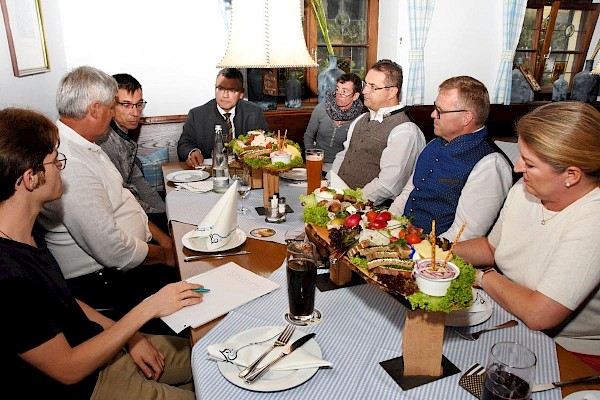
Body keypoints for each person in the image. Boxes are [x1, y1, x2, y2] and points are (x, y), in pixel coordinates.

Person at [0, 107, 202, 399]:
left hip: (105, 348)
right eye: (56, 160)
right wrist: (148, 309)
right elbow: (67, 369)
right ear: (31, 178)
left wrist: (130, 336)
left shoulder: (23, 234)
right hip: (90, 383)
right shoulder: (8, 277)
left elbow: (64, 301)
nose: (61, 167)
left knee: (214, 353)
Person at [454, 102, 600, 371]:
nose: (518, 168)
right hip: (508, 314)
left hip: (570, 352)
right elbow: (491, 246)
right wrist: (437, 250)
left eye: (529, 163)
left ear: (571, 175)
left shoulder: (593, 218)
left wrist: (481, 276)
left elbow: (539, 314)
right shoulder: (527, 188)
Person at [38, 66, 180, 323]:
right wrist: (166, 255)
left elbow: (125, 199)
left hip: (131, 263)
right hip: (107, 282)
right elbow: (112, 250)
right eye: (110, 106)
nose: (113, 112)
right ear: (94, 110)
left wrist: (165, 242)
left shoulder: (87, 143)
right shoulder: (69, 162)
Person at [389, 76, 514, 240]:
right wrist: (388, 224)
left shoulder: (490, 165)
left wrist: (420, 251)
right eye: (435, 108)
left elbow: (464, 235)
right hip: (403, 237)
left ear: (466, 117)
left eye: (440, 111)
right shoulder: (433, 145)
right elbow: (409, 192)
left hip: (436, 255)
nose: (433, 114)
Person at [330, 59, 426, 205]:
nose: (364, 91)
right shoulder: (361, 118)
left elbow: (388, 185)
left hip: (373, 212)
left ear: (392, 92)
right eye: (366, 84)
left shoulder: (405, 131)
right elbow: (344, 154)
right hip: (341, 201)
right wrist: (330, 186)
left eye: (373, 87)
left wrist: (351, 202)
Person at [95, 73, 168, 232]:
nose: (135, 113)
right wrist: (160, 215)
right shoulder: (105, 142)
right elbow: (123, 196)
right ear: (110, 105)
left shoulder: (124, 135)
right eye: (126, 105)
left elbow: (138, 180)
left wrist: (165, 210)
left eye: (139, 104)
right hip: (126, 218)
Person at [177, 68, 270, 167]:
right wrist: (192, 152)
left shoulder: (254, 113)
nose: (225, 95)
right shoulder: (197, 115)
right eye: (220, 89)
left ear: (241, 94)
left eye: (232, 90)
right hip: (211, 173)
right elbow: (184, 144)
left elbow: (266, 142)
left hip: (245, 171)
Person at [304, 73, 364, 173]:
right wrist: (313, 157)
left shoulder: (360, 119)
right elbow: (308, 136)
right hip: (317, 162)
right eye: (337, 89)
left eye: (344, 91)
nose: (339, 95)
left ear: (355, 96)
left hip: (342, 167)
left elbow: (356, 151)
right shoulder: (321, 109)